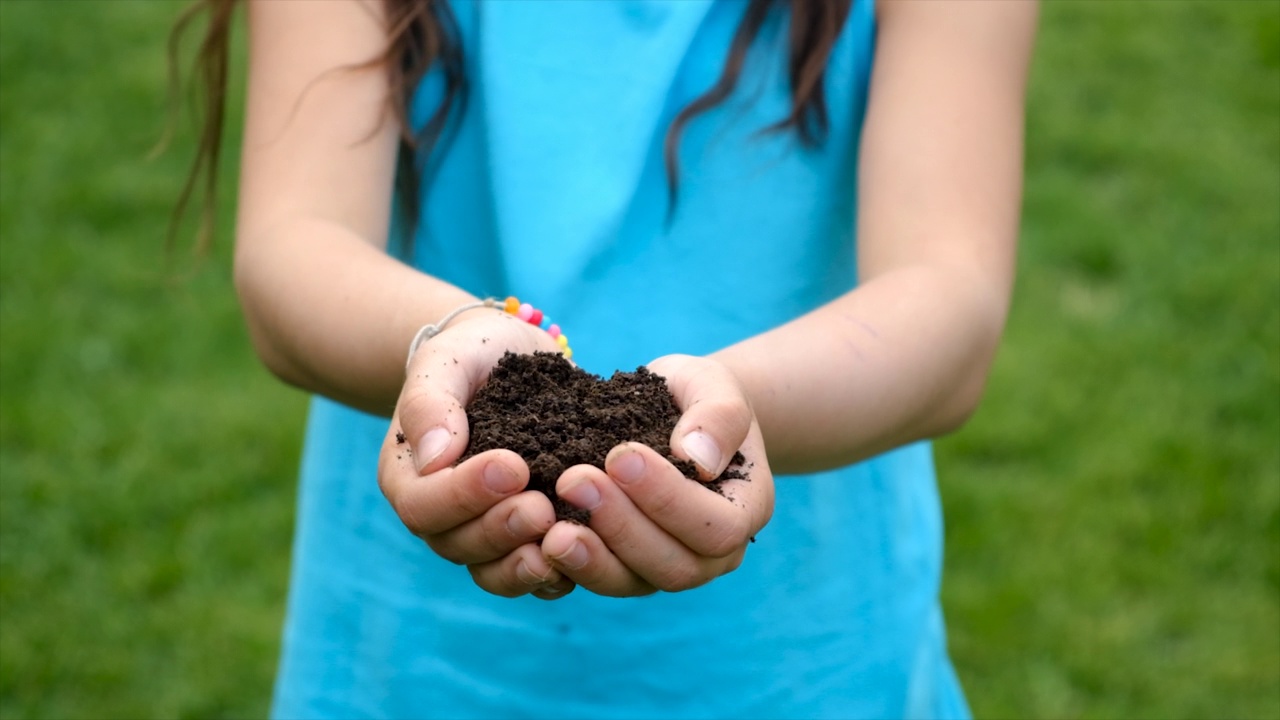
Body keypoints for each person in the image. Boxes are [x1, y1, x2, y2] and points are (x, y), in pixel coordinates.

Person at [175, 0, 1036, 716]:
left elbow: (948, 296)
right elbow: (291, 249)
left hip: (801, 666)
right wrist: (446, 336)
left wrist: (739, 404)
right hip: (416, 665)